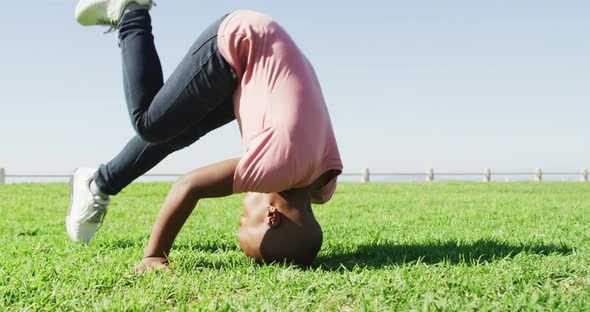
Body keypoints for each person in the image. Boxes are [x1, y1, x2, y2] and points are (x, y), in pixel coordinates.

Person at [68, 0, 342, 271]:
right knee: (150, 123)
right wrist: (154, 255)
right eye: (244, 219)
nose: (241, 212)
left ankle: (98, 183)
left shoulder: (322, 185)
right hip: (241, 39)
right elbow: (189, 186)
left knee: (176, 132)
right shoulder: (275, 168)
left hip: (262, 56)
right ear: (271, 216)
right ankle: (131, 11)